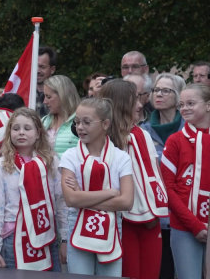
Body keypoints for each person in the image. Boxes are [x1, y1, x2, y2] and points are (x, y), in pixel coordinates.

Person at [0, 107, 68, 271]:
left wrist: (64, 239)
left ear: (38, 133)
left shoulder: (51, 163)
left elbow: (61, 202)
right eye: (16, 128)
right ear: (9, 133)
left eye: (27, 128)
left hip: (46, 237)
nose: (21, 132)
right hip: (12, 238)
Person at [59, 97, 135, 277]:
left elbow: (126, 202)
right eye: (77, 122)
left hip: (111, 227)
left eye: (86, 122)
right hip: (77, 223)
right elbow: (71, 200)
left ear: (105, 124)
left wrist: (82, 196)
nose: (80, 127)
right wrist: (110, 193)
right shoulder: (70, 156)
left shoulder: (121, 157)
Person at [100, 80, 167, 279]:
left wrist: (151, 206)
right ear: (120, 104)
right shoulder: (102, 140)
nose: (139, 106)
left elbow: (155, 173)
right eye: (134, 101)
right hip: (120, 219)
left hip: (149, 217)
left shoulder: (143, 135)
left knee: (150, 274)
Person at [160, 83, 210, 279]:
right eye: (182, 104)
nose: (185, 108)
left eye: (191, 103)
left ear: (208, 105)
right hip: (184, 227)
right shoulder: (175, 141)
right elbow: (167, 188)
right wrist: (195, 225)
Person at [143, 74, 186, 146]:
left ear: (178, 95)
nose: (159, 94)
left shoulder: (189, 127)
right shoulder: (144, 130)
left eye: (166, 91)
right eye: (156, 90)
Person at [42, 75, 80, 155]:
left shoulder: (81, 122)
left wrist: (56, 157)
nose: (44, 101)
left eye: (48, 97)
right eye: (44, 96)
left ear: (63, 95)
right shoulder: (43, 121)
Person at [36, 46, 57, 117]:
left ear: (52, 69)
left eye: (42, 67)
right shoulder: (25, 94)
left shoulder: (60, 94)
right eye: (35, 66)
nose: (37, 71)